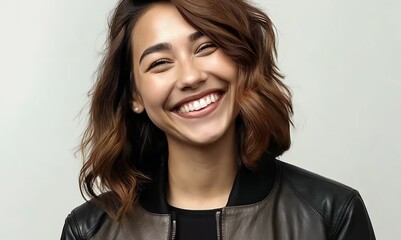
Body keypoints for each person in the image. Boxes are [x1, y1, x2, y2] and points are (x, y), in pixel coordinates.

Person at [61, 0, 375, 239]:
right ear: (134, 96)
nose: (191, 76)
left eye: (206, 46)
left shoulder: (330, 216)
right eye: (160, 63)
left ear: (242, 59)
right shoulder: (88, 231)